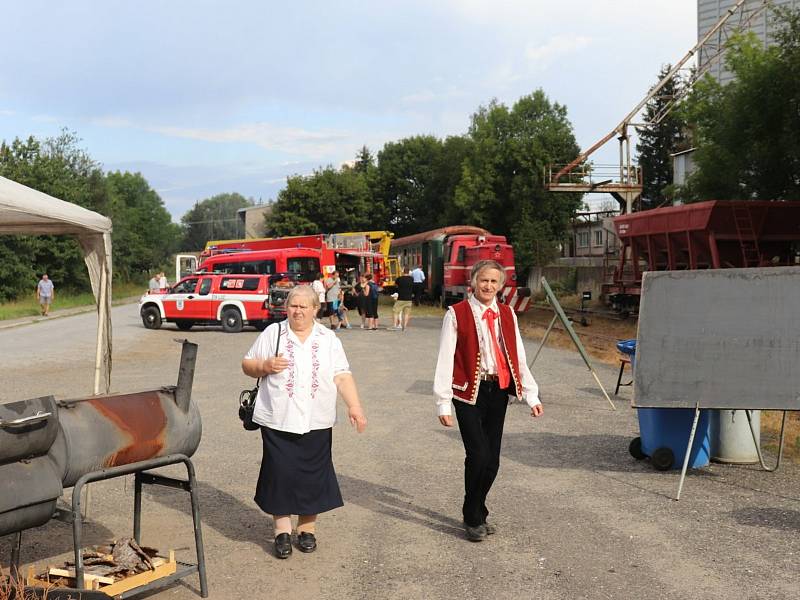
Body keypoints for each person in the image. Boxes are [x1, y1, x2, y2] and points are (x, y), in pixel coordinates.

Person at [242, 285, 367, 559]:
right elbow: (247, 364)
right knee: (280, 474)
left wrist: (354, 406)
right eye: (293, 306)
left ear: (315, 309)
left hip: (316, 419)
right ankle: (282, 532)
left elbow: (342, 375)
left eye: (303, 306)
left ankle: (307, 529)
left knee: (313, 476)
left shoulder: (328, 339)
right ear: (286, 308)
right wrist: (264, 366)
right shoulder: (273, 333)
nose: (297, 311)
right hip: (278, 417)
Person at [433, 259, 543, 542]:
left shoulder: (507, 314)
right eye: (484, 280)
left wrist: (531, 394)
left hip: (498, 391)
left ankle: (478, 510)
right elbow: (445, 359)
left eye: (494, 281)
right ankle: (472, 516)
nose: (488, 286)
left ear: (501, 285)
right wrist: (442, 402)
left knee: (493, 461)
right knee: (478, 454)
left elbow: (518, 356)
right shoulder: (456, 314)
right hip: (468, 392)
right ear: (473, 281)